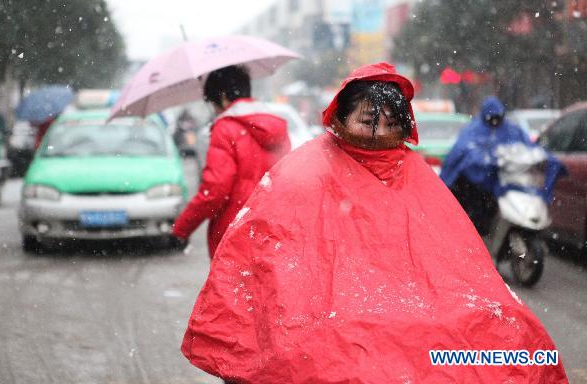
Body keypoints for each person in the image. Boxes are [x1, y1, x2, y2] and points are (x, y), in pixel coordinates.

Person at [180, 63, 567, 383]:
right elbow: (271, 250)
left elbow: (458, 265)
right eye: (367, 121)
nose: (378, 132)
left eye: (388, 121)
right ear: (341, 118)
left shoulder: (415, 174)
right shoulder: (307, 167)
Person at [172, 65, 291, 258]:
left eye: (213, 103)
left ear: (224, 97)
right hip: (272, 230)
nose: (214, 110)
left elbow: (215, 190)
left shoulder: (225, 128)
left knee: (231, 288)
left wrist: (181, 229)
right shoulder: (277, 126)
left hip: (235, 234)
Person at [440, 96, 564, 235]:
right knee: (476, 211)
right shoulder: (474, 130)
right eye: (491, 118)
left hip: (501, 181)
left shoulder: (511, 129)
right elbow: (464, 153)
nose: (494, 122)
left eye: (497, 118)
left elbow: (527, 148)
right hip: (473, 185)